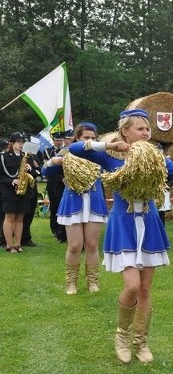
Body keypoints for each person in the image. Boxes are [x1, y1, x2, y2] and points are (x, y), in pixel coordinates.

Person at [69, 108, 173, 364]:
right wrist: (108, 145)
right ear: (125, 130)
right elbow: (76, 150)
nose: (146, 133)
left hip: (149, 224)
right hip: (123, 224)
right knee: (132, 286)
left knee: (146, 289)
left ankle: (141, 342)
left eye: (148, 129)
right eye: (140, 128)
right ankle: (122, 335)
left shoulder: (158, 158)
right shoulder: (112, 156)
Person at [42, 122, 109, 295]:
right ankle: (71, 283)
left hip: (94, 200)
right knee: (75, 246)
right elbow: (46, 173)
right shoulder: (67, 153)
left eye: (94, 138)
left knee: (92, 245)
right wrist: (51, 162)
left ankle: (92, 282)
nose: (91, 141)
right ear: (77, 139)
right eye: (86, 138)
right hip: (73, 201)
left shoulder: (100, 154)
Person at [0, 132, 39, 253]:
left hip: (24, 191)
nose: (21, 145)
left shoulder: (27, 156)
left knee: (20, 218)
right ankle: (9, 245)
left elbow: (36, 173)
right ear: (12, 143)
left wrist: (30, 169)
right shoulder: (3, 157)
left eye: (22, 143)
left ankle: (18, 244)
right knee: (9, 217)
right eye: (18, 142)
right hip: (9, 191)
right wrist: (11, 181)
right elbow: (1, 176)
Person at [42, 132, 67, 242]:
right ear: (53, 140)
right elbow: (48, 167)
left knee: (63, 207)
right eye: (57, 140)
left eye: (61, 140)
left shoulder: (66, 150)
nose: (59, 142)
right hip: (53, 182)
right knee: (54, 207)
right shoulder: (48, 151)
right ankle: (55, 229)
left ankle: (62, 231)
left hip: (63, 181)